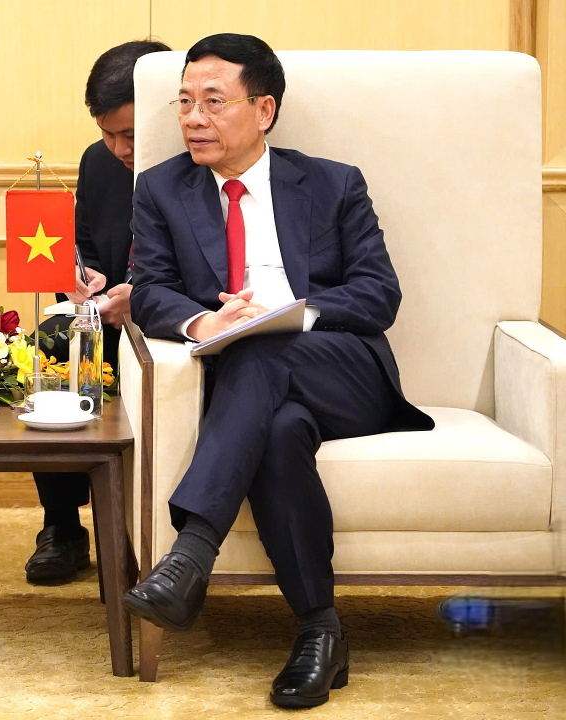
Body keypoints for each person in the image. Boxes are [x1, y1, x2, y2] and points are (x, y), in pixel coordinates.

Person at [121, 33, 433, 708]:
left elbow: (379, 295)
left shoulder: (332, 183)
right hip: (253, 390)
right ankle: (321, 631)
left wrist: (289, 315)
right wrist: (205, 323)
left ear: (263, 110)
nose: (194, 119)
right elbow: (149, 291)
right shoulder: (162, 189)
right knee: (282, 432)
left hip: (343, 372)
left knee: (264, 343)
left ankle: (191, 554)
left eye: (213, 102)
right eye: (184, 103)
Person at [26, 40, 169, 585]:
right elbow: (85, 247)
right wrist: (84, 279)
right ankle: (62, 525)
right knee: (53, 341)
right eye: (107, 133)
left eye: (129, 134)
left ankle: (132, 526)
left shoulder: (201, 160)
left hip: (175, 322)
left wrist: (142, 295)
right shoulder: (98, 161)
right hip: (110, 316)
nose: (118, 148)